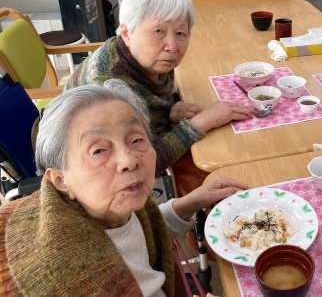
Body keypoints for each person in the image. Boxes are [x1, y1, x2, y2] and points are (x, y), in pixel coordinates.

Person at [0, 80, 245, 296]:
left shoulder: (106, 208)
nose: (129, 160)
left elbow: (136, 231)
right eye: (99, 150)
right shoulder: (75, 278)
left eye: (136, 139)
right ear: (60, 179)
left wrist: (192, 200)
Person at [66, 0, 252, 195]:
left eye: (180, 33)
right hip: (102, 185)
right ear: (127, 33)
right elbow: (139, 166)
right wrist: (199, 123)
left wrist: (169, 111)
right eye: (158, 31)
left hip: (144, 142)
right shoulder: (110, 90)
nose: (172, 46)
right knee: (233, 173)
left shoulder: (146, 59)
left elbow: (149, 107)